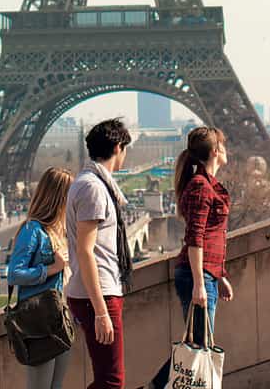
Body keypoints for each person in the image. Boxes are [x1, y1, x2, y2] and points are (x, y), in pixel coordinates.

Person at [149, 127, 234, 389]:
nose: (226, 149)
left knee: (198, 345)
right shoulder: (200, 186)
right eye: (224, 144)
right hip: (197, 275)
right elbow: (196, 238)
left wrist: (218, 275)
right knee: (198, 346)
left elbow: (209, 237)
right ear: (216, 151)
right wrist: (200, 282)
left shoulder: (205, 184)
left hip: (205, 274)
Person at [66, 119, 133, 389]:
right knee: (111, 380)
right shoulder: (93, 188)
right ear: (118, 147)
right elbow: (85, 251)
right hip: (99, 294)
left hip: (99, 291)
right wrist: (101, 312)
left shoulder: (89, 183)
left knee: (108, 378)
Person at [7, 167, 74, 389]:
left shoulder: (57, 231)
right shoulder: (32, 229)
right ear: (59, 198)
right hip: (38, 321)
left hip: (58, 318)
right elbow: (14, 273)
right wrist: (53, 268)